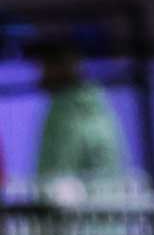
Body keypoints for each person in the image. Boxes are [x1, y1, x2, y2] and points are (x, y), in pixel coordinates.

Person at [29, 39, 129, 195]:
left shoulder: (66, 110)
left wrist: (44, 207)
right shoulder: (99, 103)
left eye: (45, 66)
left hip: (79, 214)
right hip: (108, 211)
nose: (41, 74)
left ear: (63, 66)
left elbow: (59, 174)